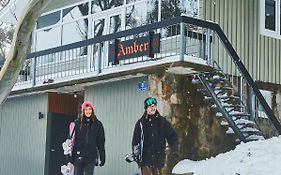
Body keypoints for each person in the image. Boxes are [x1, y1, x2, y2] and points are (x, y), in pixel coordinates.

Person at [132, 97, 179, 175]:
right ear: (146, 108)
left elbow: (172, 136)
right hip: (145, 159)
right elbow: (136, 141)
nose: (152, 108)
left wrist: (174, 149)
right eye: (150, 106)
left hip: (159, 159)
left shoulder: (162, 122)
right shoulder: (140, 123)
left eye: (154, 106)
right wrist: (136, 154)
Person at [71, 100, 105, 175]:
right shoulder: (77, 123)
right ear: (83, 111)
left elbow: (101, 142)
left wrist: (102, 157)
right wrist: (70, 156)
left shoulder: (98, 124)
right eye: (86, 109)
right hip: (79, 156)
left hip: (91, 157)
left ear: (92, 110)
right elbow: (72, 140)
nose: (88, 111)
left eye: (90, 109)